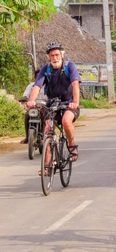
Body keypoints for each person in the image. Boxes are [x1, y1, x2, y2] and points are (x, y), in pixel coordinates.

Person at [27, 42, 81, 172]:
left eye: (57, 55)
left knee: (66, 122)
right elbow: (37, 86)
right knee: (47, 131)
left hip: (69, 103)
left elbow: (75, 84)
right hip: (52, 103)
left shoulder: (70, 66)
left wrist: (75, 102)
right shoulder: (45, 69)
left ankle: (72, 145)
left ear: (62, 55)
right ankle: (47, 166)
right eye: (52, 56)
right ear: (49, 57)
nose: (55, 58)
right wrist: (31, 101)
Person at [19, 69, 47, 144]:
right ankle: (27, 137)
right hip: (34, 107)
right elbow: (26, 95)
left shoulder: (48, 86)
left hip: (45, 107)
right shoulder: (31, 85)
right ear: (35, 77)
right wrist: (24, 99)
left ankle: (45, 136)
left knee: (46, 117)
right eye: (38, 76)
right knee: (27, 115)